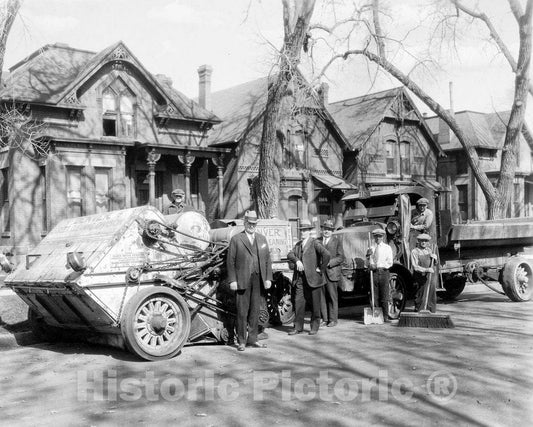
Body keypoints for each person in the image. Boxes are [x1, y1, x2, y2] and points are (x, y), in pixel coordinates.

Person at [226, 210, 272, 351]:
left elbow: (267, 260)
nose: (251, 226)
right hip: (242, 280)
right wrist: (232, 280)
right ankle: (241, 341)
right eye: (249, 223)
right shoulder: (236, 239)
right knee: (242, 311)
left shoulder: (262, 239)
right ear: (245, 223)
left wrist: (268, 278)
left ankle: (253, 339)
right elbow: (230, 261)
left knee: (255, 311)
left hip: (258, 279)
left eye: (254, 224)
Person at [287, 220, 330, 336]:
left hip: (314, 279)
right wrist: (297, 261)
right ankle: (298, 327)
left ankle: (314, 327)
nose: (303, 233)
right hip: (300, 279)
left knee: (315, 305)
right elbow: (290, 254)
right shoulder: (298, 245)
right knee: (298, 303)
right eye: (301, 231)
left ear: (309, 232)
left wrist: (321, 269)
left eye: (305, 231)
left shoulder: (314, 243)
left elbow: (327, 254)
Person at [318, 219, 344, 327]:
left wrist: (330, 263)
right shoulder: (317, 241)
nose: (327, 231)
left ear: (332, 231)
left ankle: (333, 320)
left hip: (332, 272)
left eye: (329, 229)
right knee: (322, 296)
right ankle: (324, 319)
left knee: (332, 297)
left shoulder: (337, 241)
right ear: (322, 229)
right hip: (320, 273)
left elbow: (341, 257)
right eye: (325, 229)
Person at [366, 228, 393, 322]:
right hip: (373, 273)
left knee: (384, 296)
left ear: (383, 237)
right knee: (374, 295)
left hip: (384, 272)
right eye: (376, 236)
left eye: (380, 236)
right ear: (373, 237)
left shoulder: (387, 248)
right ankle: (377, 316)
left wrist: (377, 266)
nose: (378, 238)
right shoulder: (371, 248)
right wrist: (367, 258)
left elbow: (390, 262)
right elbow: (367, 263)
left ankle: (385, 316)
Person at [410, 233, 438, 313]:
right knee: (420, 296)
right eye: (421, 241)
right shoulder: (414, 251)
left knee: (431, 295)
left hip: (429, 277)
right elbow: (415, 266)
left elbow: (434, 265)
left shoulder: (429, 250)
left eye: (425, 241)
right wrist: (426, 270)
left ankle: (431, 313)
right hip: (420, 277)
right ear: (418, 241)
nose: (423, 242)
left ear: (428, 242)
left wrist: (435, 259)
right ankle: (419, 311)